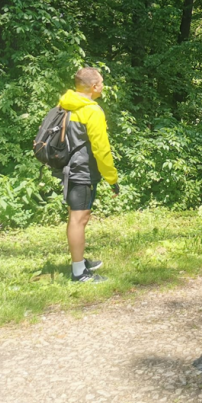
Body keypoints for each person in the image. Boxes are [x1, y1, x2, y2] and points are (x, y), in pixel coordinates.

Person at [56, 67, 119, 283]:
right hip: (82, 170)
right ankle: (79, 273)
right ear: (93, 87)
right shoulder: (92, 110)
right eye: (101, 83)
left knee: (77, 217)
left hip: (69, 167)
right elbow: (101, 149)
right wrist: (112, 178)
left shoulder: (66, 103)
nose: (102, 87)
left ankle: (79, 261)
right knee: (78, 219)